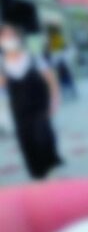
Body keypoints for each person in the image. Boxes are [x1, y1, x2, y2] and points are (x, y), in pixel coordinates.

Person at [0, 24, 63, 179]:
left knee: (43, 136)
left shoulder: (33, 57)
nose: (9, 39)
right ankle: (38, 174)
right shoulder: (2, 64)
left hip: (39, 105)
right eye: (4, 37)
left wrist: (55, 100)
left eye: (11, 35)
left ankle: (50, 164)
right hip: (19, 109)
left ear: (18, 38)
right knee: (26, 141)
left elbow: (51, 79)